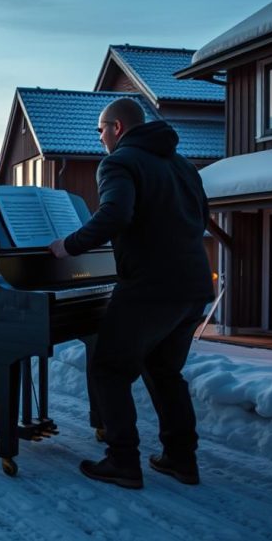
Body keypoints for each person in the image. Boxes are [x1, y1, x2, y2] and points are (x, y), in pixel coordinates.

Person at [49, 98, 214, 490]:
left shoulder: (119, 162)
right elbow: (201, 217)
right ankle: (180, 459)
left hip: (151, 285)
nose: (100, 138)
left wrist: (67, 246)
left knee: (108, 367)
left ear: (117, 128)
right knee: (164, 370)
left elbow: (115, 214)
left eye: (101, 130)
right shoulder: (182, 164)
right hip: (192, 285)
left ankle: (122, 460)